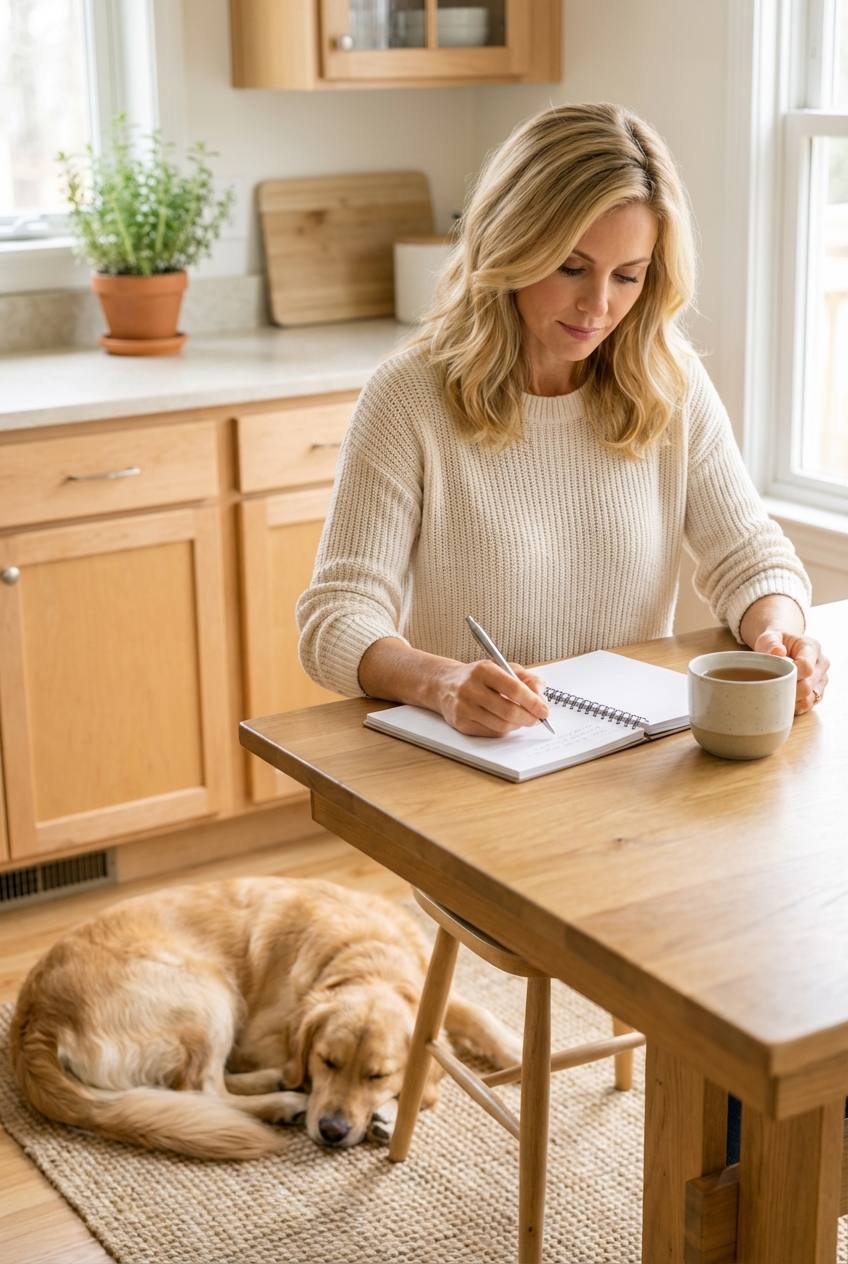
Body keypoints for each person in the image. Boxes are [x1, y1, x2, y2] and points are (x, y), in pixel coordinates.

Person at [297, 103, 829, 735]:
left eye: (628, 276)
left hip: (628, 757)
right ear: (512, 244)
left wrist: (781, 633)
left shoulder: (670, 384)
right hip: (475, 758)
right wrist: (441, 683)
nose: (598, 306)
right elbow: (338, 614)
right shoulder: (408, 399)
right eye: (571, 268)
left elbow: (749, 556)